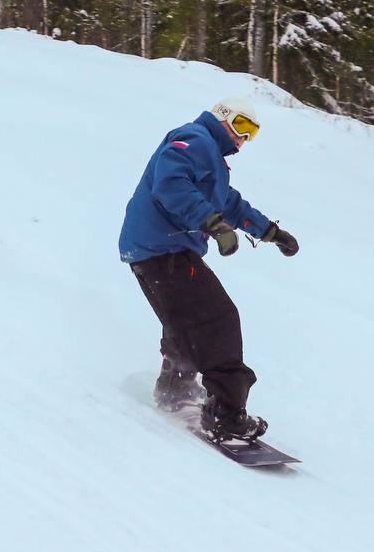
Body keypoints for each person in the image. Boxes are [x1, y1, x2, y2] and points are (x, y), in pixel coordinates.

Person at [118, 98, 299, 440]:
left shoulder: (211, 160)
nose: (245, 138)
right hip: (163, 248)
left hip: (152, 248)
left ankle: (175, 388)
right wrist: (213, 225)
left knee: (185, 319)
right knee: (219, 319)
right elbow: (170, 182)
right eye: (243, 126)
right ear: (224, 117)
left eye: (253, 133)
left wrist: (270, 233)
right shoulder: (196, 138)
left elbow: (230, 203)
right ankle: (226, 414)